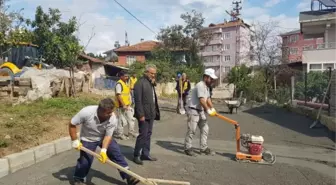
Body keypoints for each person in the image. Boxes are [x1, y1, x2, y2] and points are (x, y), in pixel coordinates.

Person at [69, 98, 139, 185]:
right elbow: (72, 124)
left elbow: (108, 136)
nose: (111, 114)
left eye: (111, 112)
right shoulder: (86, 112)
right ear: (100, 110)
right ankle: (79, 179)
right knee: (85, 160)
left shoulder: (112, 117)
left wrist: (103, 150)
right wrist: (74, 140)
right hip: (88, 138)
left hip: (103, 137)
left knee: (115, 153)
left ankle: (128, 176)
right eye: (108, 113)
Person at [184, 68, 218, 156]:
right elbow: (202, 100)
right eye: (211, 78)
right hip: (193, 110)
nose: (212, 80)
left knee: (205, 128)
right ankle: (188, 148)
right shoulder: (200, 85)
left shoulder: (207, 87)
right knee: (192, 130)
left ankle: (203, 148)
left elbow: (208, 99)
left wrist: (212, 108)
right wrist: (208, 110)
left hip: (200, 110)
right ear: (206, 77)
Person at [133, 64, 160, 165]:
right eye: (152, 73)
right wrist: (140, 115)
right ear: (146, 72)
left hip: (151, 113)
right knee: (143, 135)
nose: (153, 75)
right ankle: (136, 155)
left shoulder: (150, 83)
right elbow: (138, 101)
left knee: (148, 134)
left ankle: (145, 153)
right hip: (143, 114)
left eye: (154, 74)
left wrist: (153, 82)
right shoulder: (140, 83)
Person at [114, 70, 137, 140]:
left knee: (131, 119)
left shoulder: (126, 83)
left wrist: (130, 101)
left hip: (127, 105)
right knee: (121, 120)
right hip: (121, 106)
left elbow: (127, 93)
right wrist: (123, 104)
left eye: (127, 76)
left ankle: (131, 132)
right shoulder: (119, 84)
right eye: (125, 76)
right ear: (121, 76)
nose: (127, 77)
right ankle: (120, 134)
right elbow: (118, 95)